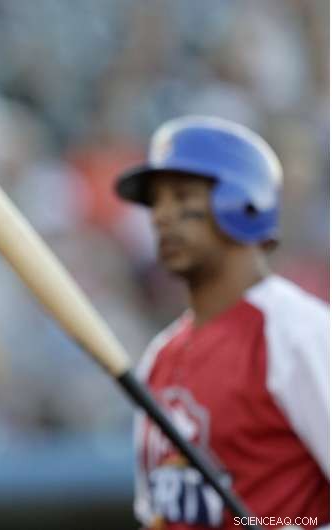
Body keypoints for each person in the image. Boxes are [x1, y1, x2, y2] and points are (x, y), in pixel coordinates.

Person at [115, 116, 329, 530]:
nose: (161, 216)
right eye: (156, 201)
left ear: (244, 201)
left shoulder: (299, 334)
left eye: (182, 197)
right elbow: (156, 516)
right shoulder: (159, 356)